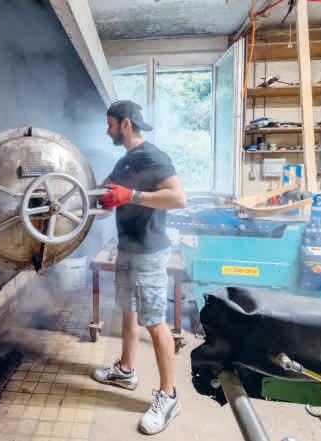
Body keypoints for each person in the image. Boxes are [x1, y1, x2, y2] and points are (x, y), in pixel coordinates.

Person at [92, 100, 187, 435]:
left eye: (110, 124)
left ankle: (169, 396)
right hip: (127, 248)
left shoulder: (152, 157)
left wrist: (131, 196)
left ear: (126, 124)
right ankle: (126, 370)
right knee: (128, 310)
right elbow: (102, 196)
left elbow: (178, 198)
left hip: (148, 252)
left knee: (155, 322)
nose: (107, 130)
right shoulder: (125, 161)